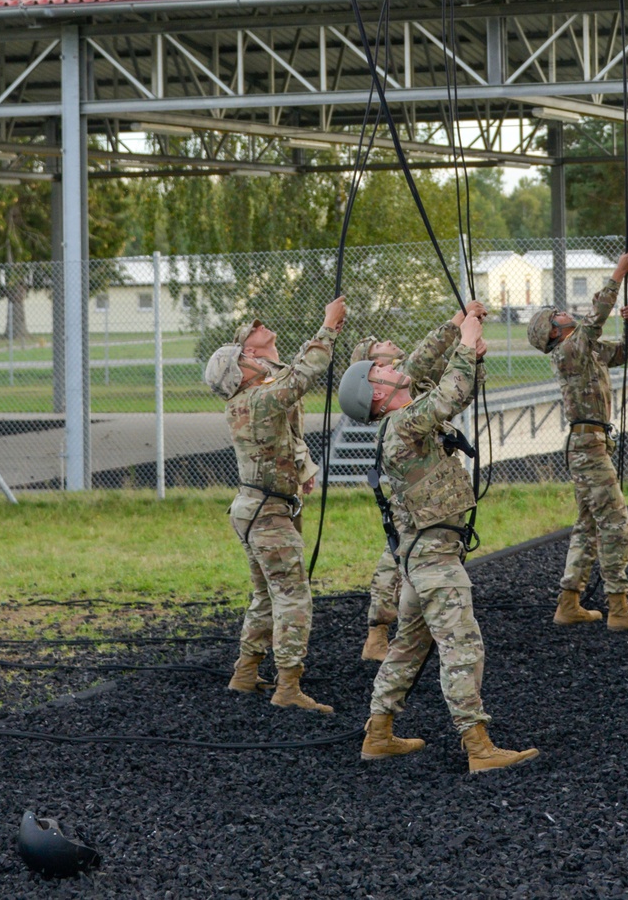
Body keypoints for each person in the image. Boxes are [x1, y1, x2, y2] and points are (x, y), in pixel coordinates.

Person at [338, 308, 539, 773]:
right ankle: (479, 746)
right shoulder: (404, 425)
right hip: (433, 561)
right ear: (377, 393)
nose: (394, 368)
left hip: (422, 558)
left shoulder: (404, 420)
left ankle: (379, 734)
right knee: (462, 645)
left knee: (409, 647)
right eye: (383, 370)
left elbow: (454, 392)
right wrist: (466, 341)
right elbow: (451, 393)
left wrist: (469, 348)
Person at [204, 296, 347, 711]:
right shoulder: (260, 400)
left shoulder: (247, 401)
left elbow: (291, 374)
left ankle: (246, 672)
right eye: (247, 360)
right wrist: (328, 327)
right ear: (242, 372)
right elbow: (304, 374)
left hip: (254, 510)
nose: (256, 362)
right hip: (267, 514)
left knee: (265, 596)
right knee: (292, 597)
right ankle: (288, 687)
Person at [527, 252, 628, 632]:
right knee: (615, 521)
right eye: (557, 316)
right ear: (554, 332)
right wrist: (619, 272)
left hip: (591, 445)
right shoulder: (569, 349)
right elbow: (596, 318)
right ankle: (618, 607)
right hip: (587, 447)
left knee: (588, 525)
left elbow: (627, 352)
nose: (564, 313)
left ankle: (568, 602)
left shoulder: (586, 349)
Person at [350, 301, 488, 663]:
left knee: (409, 561)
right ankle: (378, 630)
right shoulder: (399, 385)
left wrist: (465, 327)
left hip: (431, 482)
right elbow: (442, 375)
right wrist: (465, 335)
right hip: (415, 491)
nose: (387, 347)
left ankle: (401, 634)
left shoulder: (403, 378)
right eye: (378, 354)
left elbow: (437, 351)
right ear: (372, 371)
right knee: (397, 554)